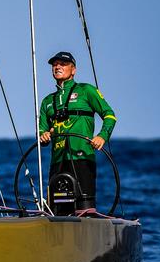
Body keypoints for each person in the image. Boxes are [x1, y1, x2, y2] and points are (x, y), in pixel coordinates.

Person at [38, 51, 116, 212]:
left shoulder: (86, 90)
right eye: (55, 64)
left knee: (84, 209)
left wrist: (102, 136)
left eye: (63, 64)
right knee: (57, 211)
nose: (58, 66)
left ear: (73, 70)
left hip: (82, 157)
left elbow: (110, 115)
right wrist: (44, 135)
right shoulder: (47, 101)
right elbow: (42, 131)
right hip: (57, 162)